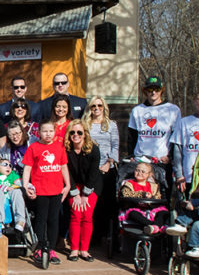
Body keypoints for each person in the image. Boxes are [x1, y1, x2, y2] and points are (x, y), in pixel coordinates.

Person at [22, 121, 71, 268]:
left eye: (51, 131)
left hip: (56, 190)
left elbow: (63, 167)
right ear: (39, 133)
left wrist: (67, 185)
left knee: (53, 220)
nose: (48, 134)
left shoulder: (59, 147)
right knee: (41, 219)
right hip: (41, 190)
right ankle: (40, 247)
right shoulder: (33, 148)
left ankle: (51, 249)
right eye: (45, 131)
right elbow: (28, 168)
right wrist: (25, 185)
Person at [64, 120, 102, 262]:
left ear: (85, 134)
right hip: (73, 184)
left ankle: (84, 250)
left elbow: (93, 174)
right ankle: (74, 249)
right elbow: (66, 172)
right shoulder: (66, 150)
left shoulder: (94, 149)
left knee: (87, 215)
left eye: (79, 132)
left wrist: (85, 194)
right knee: (75, 214)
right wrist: (75, 193)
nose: (76, 135)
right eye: (72, 132)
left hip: (91, 185)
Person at [84, 96, 120, 244]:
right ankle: (94, 237)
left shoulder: (111, 125)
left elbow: (116, 146)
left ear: (104, 107)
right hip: (90, 169)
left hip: (107, 169)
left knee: (107, 204)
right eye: (93, 106)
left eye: (99, 105)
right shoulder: (85, 125)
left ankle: (109, 235)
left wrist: (109, 162)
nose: (96, 108)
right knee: (92, 204)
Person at [127, 75, 181, 165]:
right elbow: (132, 136)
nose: (153, 92)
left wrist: (170, 156)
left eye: (157, 89)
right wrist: (131, 155)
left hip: (161, 160)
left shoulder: (173, 110)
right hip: (140, 159)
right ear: (145, 91)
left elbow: (176, 137)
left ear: (162, 90)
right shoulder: (137, 110)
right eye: (150, 90)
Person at [118, 162, 169, 234]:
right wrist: (142, 194)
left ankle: (155, 227)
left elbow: (158, 197)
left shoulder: (153, 186)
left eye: (143, 172)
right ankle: (155, 226)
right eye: (137, 170)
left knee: (163, 212)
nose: (139, 173)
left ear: (149, 174)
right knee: (133, 214)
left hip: (150, 208)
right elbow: (126, 194)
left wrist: (152, 197)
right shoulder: (129, 184)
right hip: (135, 208)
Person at [0, 158, 26, 235]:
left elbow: (21, 183)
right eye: (5, 165)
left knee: (17, 191)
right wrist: (4, 188)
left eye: (10, 165)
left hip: (10, 196)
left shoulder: (13, 175)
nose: (8, 167)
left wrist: (29, 187)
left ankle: (20, 221)